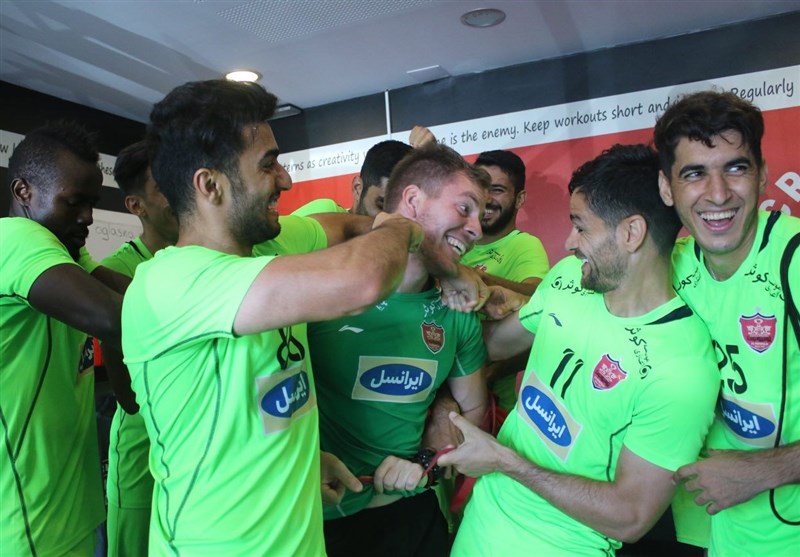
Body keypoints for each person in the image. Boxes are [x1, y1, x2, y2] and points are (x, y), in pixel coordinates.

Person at [122, 79, 425, 556]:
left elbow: (338, 226)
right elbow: (363, 281)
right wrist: (399, 225)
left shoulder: (269, 246)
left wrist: (300, 459)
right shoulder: (169, 283)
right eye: (268, 164)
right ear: (210, 185)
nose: (285, 180)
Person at [437, 144, 719, 556]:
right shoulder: (570, 277)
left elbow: (631, 516)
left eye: (581, 227)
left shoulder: (683, 369)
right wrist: (462, 292)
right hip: (480, 524)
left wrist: (504, 461)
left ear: (631, 233)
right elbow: (493, 346)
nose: (569, 242)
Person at [308, 144, 490, 557]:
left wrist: (427, 460)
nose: (477, 229)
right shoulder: (322, 283)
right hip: (316, 523)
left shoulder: (456, 310)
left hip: (408, 516)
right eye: (464, 209)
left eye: (479, 215)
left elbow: (472, 415)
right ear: (412, 200)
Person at [655, 90, 800, 556]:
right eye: (694, 173)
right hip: (722, 533)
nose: (718, 194)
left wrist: (768, 469)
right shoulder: (669, 267)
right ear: (666, 188)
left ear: (763, 176)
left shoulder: (794, 260)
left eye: (736, 168)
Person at [1, 121, 123, 556]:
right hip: (28, 524)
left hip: (71, 509)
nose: (87, 217)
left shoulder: (63, 249)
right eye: (73, 202)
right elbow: (115, 317)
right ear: (24, 192)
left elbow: (129, 295)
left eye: (91, 204)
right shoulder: (15, 238)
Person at [101, 140, 178, 557]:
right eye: (162, 186)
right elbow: (129, 398)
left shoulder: (207, 262)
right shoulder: (117, 270)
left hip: (194, 455)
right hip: (140, 451)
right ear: (136, 206)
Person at [461, 149, 550, 413]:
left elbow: (538, 296)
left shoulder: (524, 245)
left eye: (497, 190)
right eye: (481, 188)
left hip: (493, 409)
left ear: (519, 198)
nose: (487, 198)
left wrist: (475, 277)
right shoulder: (456, 239)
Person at [292, 126, 435, 217]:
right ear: (357, 188)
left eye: (400, 211)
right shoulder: (325, 213)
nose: (389, 220)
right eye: (381, 206)